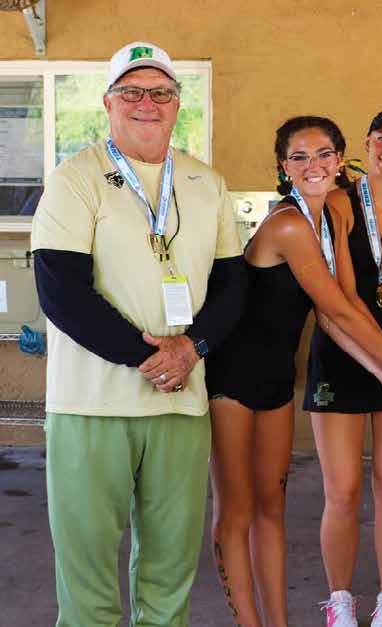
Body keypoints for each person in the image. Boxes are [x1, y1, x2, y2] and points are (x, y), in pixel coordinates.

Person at [30, 41, 247, 625]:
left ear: (178, 104)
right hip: (91, 405)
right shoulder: (74, 179)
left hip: (180, 404)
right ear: (108, 102)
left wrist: (191, 349)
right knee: (88, 576)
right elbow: (61, 291)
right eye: (131, 91)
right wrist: (150, 358)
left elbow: (233, 287)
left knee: (169, 573)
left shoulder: (206, 182)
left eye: (160, 92)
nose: (146, 103)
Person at [206, 115, 382, 627]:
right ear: (283, 167)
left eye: (322, 155)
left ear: (340, 161)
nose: (312, 165)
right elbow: (339, 310)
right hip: (232, 377)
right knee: (236, 513)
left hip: (275, 380)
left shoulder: (325, 219)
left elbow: (334, 313)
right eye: (299, 157)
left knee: (271, 509)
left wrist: (381, 372)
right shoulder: (291, 223)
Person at [303, 108, 382, 627]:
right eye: (381, 138)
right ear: (367, 142)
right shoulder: (337, 203)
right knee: (342, 491)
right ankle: (340, 602)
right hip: (343, 358)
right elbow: (339, 300)